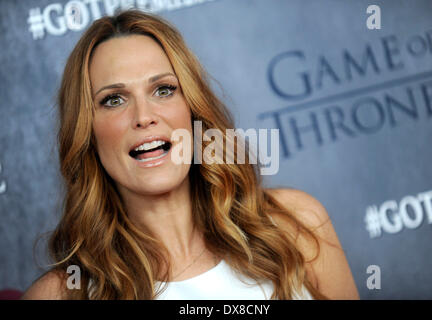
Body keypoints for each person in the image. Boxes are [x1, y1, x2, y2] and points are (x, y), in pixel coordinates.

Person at [21, 9, 359, 300]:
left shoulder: (298, 223)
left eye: (163, 90)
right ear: (87, 135)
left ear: (194, 111)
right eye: (114, 100)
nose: (144, 115)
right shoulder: (62, 293)